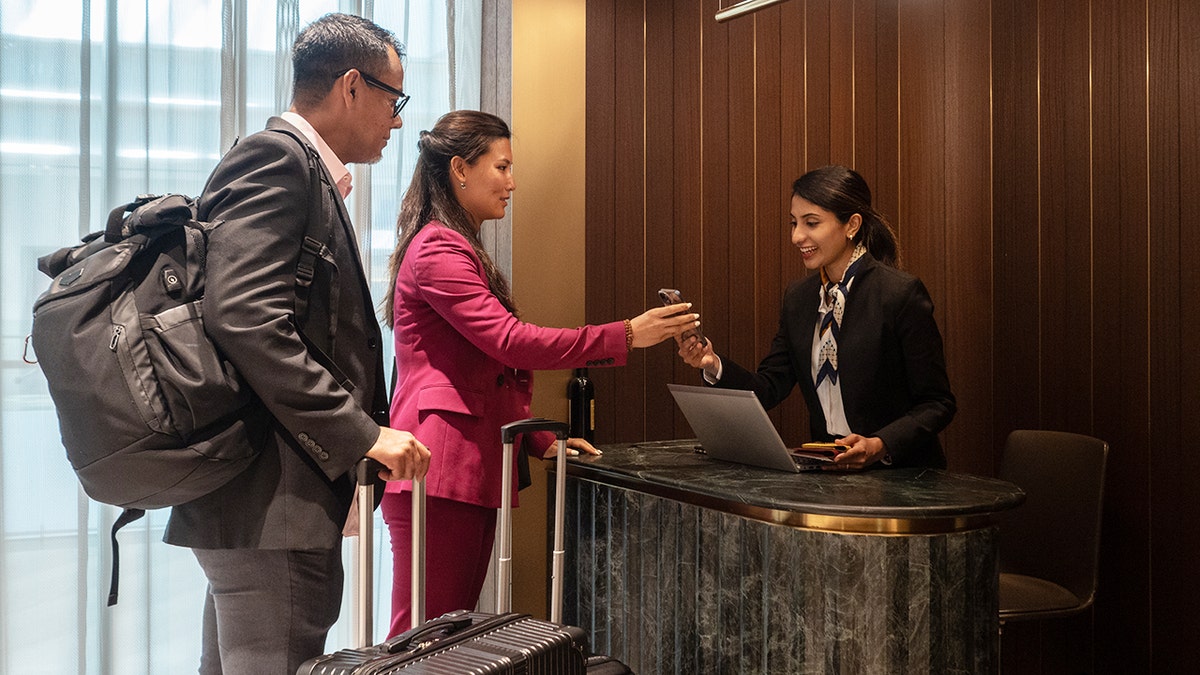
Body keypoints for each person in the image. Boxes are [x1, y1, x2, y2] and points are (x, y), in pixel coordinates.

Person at [161, 13, 431, 674]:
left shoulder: (297, 164)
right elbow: (246, 316)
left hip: (259, 505)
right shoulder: (279, 157)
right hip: (269, 504)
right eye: (393, 100)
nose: (397, 121)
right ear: (350, 86)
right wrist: (361, 433)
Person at [381, 110, 700, 636]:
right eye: (502, 167)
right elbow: (508, 342)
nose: (512, 182)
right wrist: (626, 334)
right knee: (420, 642)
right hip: (440, 468)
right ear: (460, 169)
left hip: (460, 468)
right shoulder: (439, 245)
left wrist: (539, 441)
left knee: (441, 641)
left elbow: (489, 367)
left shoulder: (456, 243)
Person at [677, 165, 956, 470]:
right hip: (832, 474)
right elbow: (769, 387)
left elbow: (937, 403)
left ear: (851, 225)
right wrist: (712, 364)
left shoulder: (899, 293)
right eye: (794, 223)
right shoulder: (799, 298)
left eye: (811, 223)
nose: (797, 236)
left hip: (904, 478)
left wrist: (879, 445)